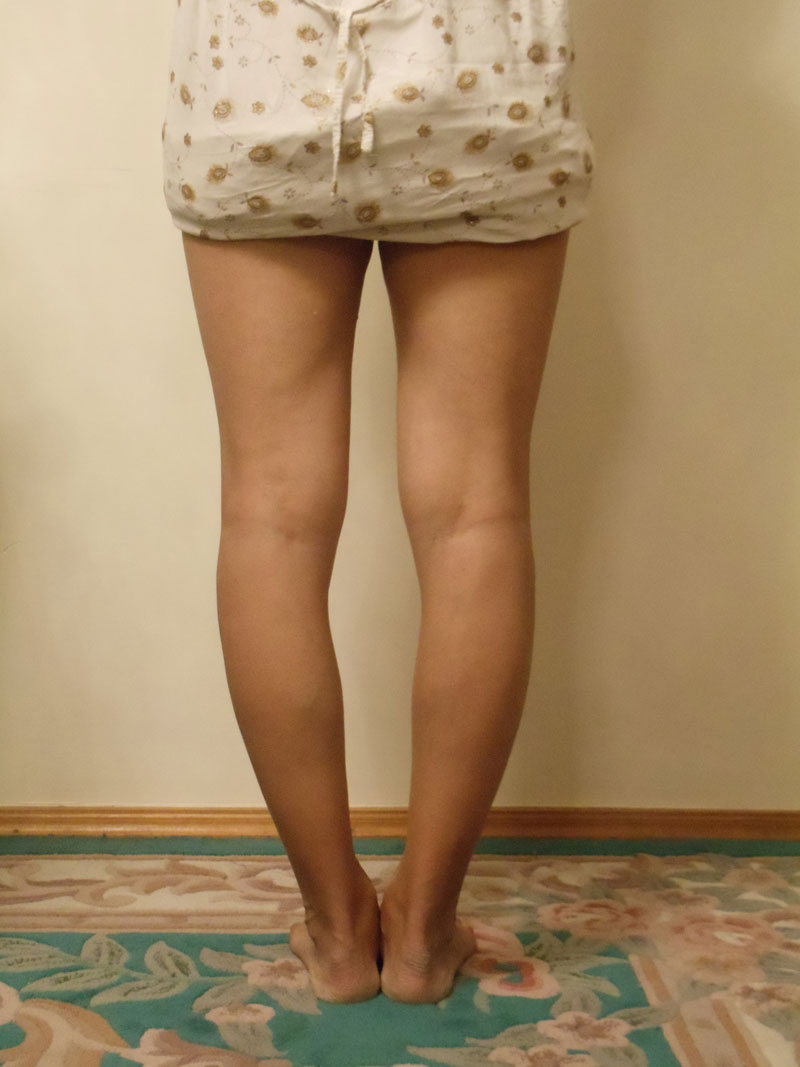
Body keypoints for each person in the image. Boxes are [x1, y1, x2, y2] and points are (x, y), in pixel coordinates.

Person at [161, 0, 594, 1004]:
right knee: (476, 511)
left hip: (252, 77)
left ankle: (334, 929)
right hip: (482, 75)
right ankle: (427, 931)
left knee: (270, 516)